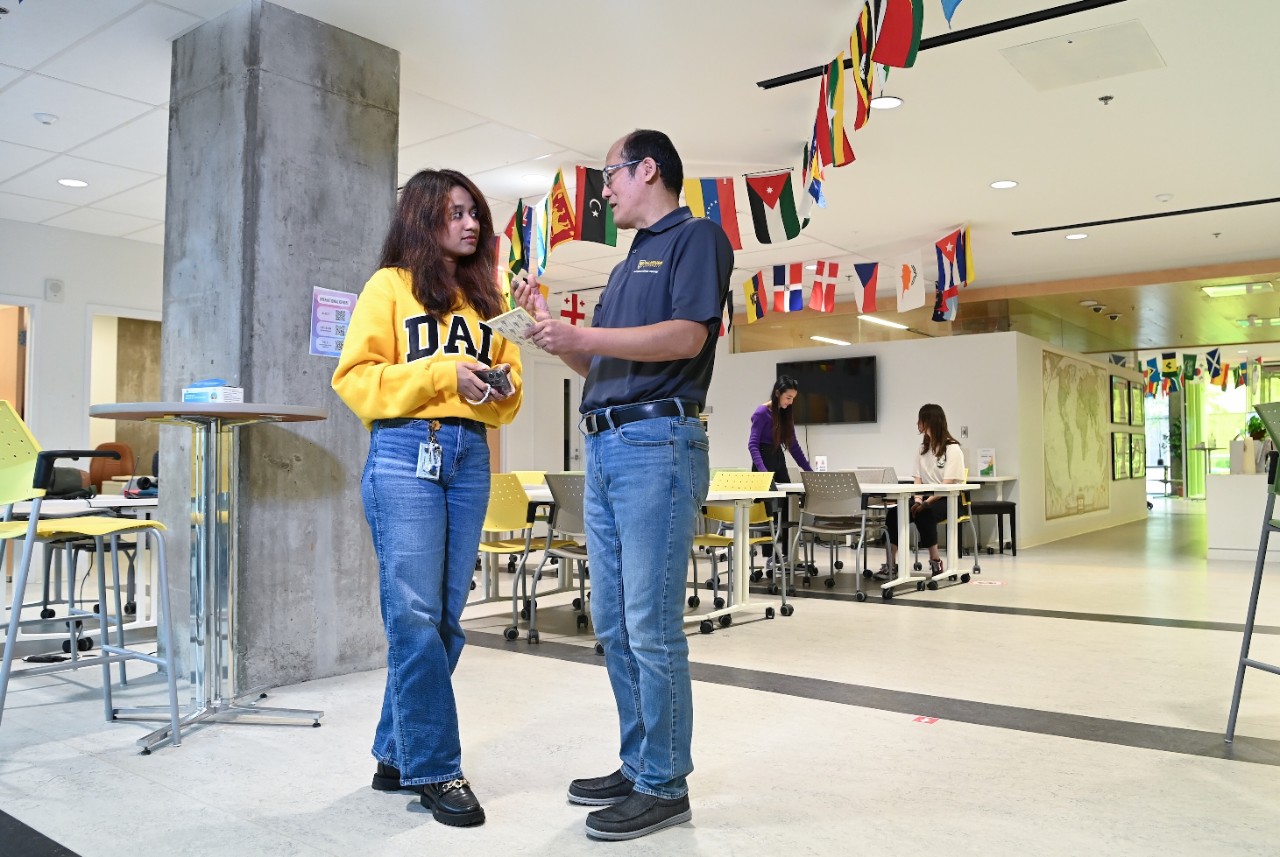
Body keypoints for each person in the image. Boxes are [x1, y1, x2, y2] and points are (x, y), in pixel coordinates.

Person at [514, 129, 733, 841]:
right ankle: (641, 764)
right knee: (611, 620)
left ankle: (665, 784)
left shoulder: (696, 238)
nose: (604, 189)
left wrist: (585, 336)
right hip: (606, 444)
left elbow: (687, 337)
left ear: (648, 170)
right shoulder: (626, 263)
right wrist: (553, 331)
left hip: (657, 444)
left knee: (650, 623)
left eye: (611, 174)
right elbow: (603, 367)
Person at [331, 168, 523, 828]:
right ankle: (437, 766)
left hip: (470, 454)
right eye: (456, 212)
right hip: (405, 450)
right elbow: (355, 379)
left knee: (445, 619)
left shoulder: (486, 298)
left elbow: (510, 391)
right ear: (422, 217)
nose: (471, 224)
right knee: (414, 614)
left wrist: (499, 387)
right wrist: (444, 373)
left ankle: (396, 752)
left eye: (475, 213)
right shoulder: (388, 287)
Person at [881, 403, 966, 580]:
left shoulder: (952, 448)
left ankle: (935, 561)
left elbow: (946, 485)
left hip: (948, 499)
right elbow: (918, 479)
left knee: (924, 514)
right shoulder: (922, 449)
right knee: (895, 514)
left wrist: (925, 504)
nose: (917, 423)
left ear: (929, 421)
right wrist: (918, 500)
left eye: (920, 419)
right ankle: (890, 564)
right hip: (925, 497)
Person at [748, 376, 812, 567]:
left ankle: (787, 554)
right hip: (763, 462)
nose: (790, 402)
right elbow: (753, 445)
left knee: (786, 506)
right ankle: (770, 555)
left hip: (778, 459)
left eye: (793, 399)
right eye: (788, 397)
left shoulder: (785, 415)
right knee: (769, 511)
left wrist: (809, 471)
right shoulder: (761, 413)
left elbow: (794, 447)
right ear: (777, 393)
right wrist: (763, 473)